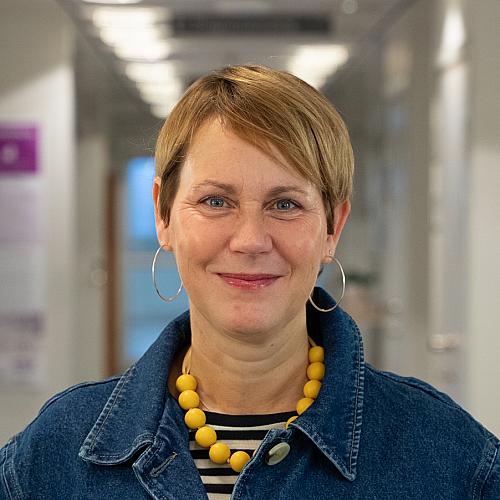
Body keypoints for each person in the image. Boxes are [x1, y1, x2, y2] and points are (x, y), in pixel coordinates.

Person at [0, 65, 498, 500]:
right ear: (163, 214)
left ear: (333, 227)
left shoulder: (449, 458)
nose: (250, 240)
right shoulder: (54, 455)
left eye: (285, 204)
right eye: (216, 201)